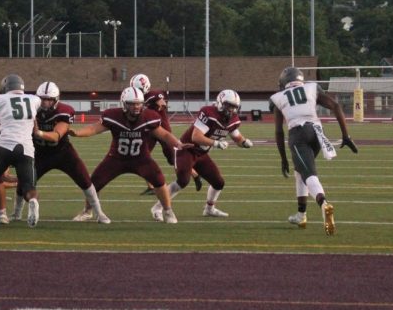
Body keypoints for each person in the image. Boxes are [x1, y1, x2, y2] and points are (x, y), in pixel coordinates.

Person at [70, 87, 190, 224]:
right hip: (116, 158)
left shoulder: (149, 117)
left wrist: (178, 144)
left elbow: (164, 134)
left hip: (141, 158)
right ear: (124, 104)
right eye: (132, 103)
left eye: (138, 103)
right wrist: (78, 133)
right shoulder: (113, 116)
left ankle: (168, 210)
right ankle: (87, 211)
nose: (136, 106)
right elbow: (93, 128)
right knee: (94, 182)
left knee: (159, 180)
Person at [271, 66, 358, 235]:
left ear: (283, 83)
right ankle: (301, 215)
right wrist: (346, 136)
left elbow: (279, 131)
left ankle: (324, 203)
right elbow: (336, 106)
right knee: (300, 172)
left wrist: (283, 157)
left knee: (309, 174)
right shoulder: (311, 88)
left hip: (298, 134)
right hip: (316, 133)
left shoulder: (278, 98)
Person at [150, 89, 253, 219]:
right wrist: (215, 143)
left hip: (201, 154)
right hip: (186, 149)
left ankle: (209, 209)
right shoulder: (209, 113)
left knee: (218, 182)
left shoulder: (232, 119)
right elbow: (196, 137)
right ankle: (158, 207)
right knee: (183, 181)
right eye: (229, 106)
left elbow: (236, 136)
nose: (231, 110)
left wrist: (244, 142)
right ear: (221, 103)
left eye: (234, 107)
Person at [32, 81, 109, 224]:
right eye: (42, 99)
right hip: (40, 153)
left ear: (56, 100)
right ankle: (15, 213)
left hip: (63, 153)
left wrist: (38, 132)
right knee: (25, 183)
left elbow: (56, 136)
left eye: (49, 99)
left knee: (85, 181)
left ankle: (99, 213)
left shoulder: (64, 110)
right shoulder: (30, 110)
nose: (45, 102)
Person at [0, 74, 41, 230]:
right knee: (28, 187)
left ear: (5, 87)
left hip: (5, 145)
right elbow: (33, 120)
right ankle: (32, 201)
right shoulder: (34, 99)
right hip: (26, 148)